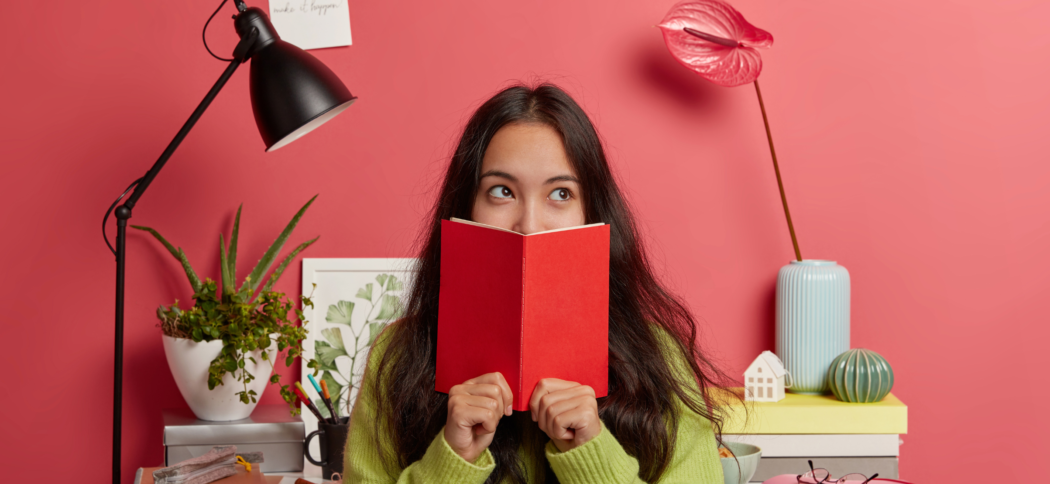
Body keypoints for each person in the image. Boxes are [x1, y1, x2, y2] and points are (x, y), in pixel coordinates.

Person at [343, 83, 737, 483]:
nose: (529, 225)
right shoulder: (396, 357)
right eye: (502, 192)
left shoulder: (660, 358)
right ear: (465, 208)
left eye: (561, 193)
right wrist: (451, 460)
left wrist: (592, 454)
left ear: (593, 212)